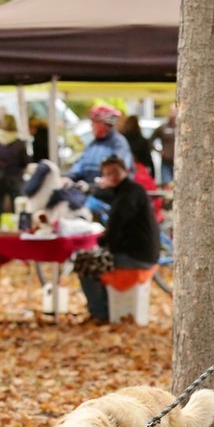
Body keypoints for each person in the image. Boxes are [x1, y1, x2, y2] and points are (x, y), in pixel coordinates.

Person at [78, 156, 160, 322]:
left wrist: (103, 243)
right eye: (107, 173)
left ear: (125, 171)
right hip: (140, 253)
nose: (111, 176)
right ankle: (103, 307)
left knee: (85, 263)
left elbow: (117, 226)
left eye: (115, 172)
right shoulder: (128, 190)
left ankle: (101, 313)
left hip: (136, 256)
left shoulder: (129, 193)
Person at [68, 105, 132, 186]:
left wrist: (107, 179)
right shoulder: (92, 144)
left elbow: (120, 168)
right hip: (90, 189)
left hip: (109, 193)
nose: (91, 126)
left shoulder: (118, 143)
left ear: (104, 123)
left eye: (94, 122)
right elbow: (80, 164)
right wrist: (70, 177)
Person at [0, 114, 29, 214]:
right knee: (18, 209)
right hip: (15, 179)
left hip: (1, 178)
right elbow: (26, 163)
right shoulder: (20, 144)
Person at [121, 115, 155, 179]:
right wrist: (152, 175)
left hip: (125, 171)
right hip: (139, 171)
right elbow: (148, 159)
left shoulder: (122, 139)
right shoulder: (142, 140)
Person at [150, 105, 177, 187]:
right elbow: (150, 140)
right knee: (167, 185)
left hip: (178, 162)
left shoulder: (182, 127)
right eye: (172, 112)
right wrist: (159, 151)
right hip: (166, 161)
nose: (173, 114)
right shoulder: (163, 127)